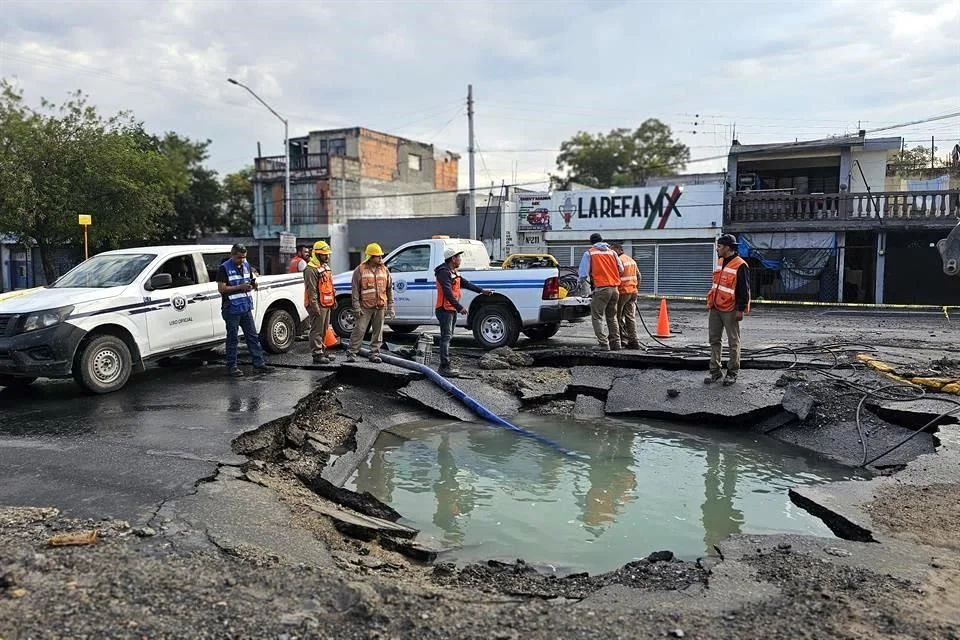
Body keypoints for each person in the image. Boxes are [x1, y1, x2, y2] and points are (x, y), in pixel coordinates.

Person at [434, 247, 493, 377]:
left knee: (448, 337)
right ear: (453, 259)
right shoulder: (443, 272)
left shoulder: (454, 271)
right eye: (458, 257)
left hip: (451, 309)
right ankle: (444, 366)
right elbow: (447, 293)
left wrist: (482, 291)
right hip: (444, 309)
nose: (460, 259)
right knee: (446, 337)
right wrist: (460, 307)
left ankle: (446, 364)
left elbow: (465, 283)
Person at [216, 244, 270, 377]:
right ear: (232, 255)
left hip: (245, 307)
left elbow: (250, 279)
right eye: (239, 257)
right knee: (233, 339)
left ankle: (259, 364)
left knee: (252, 337)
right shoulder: (224, 268)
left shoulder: (246, 265)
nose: (242, 260)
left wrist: (253, 284)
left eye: (244, 257)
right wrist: (240, 287)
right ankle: (232, 367)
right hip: (231, 308)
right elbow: (222, 289)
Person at [705, 234, 751, 386]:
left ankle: (732, 373)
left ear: (727, 247)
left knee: (733, 341)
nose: (717, 248)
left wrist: (740, 309)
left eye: (719, 246)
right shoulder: (720, 261)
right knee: (714, 340)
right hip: (716, 306)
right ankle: (715, 372)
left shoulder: (740, 265)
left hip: (730, 309)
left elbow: (744, 289)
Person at [346, 243, 394, 364]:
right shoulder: (360, 270)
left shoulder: (384, 269)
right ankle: (352, 353)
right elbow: (355, 290)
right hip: (365, 307)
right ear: (371, 257)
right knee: (360, 330)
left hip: (380, 306)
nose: (380, 258)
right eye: (378, 256)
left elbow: (389, 289)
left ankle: (374, 354)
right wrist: (356, 307)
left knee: (378, 332)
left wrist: (391, 306)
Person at [578, 232, 624, 351]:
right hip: (615, 289)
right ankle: (616, 343)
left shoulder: (590, 253)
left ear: (591, 242)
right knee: (612, 316)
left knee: (597, 317)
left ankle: (603, 344)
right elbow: (621, 269)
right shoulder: (612, 252)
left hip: (601, 289)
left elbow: (583, 274)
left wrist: (580, 283)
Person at [303, 240, 335, 364]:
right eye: (324, 254)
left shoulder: (325, 267)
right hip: (316, 304)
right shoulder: (310, 269)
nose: (327, 256)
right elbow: (311, 290)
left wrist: (334, 299)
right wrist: (314, 306)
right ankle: (317, 354)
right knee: (316, 330)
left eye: (328, 254)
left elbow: (330, 285)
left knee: (324, 329)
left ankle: (322, 350)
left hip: (326, 303)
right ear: (316, 254)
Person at [611, 243, 640, 350]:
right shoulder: (631, 260)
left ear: (618, 249)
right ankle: (633, 341)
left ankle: (621, 340)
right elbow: (639, 276)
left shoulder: (619, 261)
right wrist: (636, 289)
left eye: (612, 250)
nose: (611, 253)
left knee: (616, 317)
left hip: (623, 292)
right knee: (630, 317)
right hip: (633, 292)